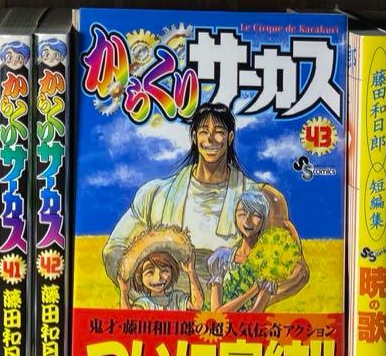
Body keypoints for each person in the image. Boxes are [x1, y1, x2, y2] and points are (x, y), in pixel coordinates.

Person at [103, 102, 304, 298]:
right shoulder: (155, 194)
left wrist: (246, 304)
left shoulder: (264, 198)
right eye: (203, 131)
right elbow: (114, 250)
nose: (210, 139)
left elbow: (297, 271)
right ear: (194, 136)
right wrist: (152, 299)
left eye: (219, 132)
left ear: (230, 137)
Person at [207, 190, 277, 312]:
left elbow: (254, 315)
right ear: (235, 217)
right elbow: (216, 314)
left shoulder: (267, 265)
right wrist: (253, 291)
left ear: (263, 219)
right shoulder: (221, 258)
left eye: (256, 214)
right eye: (242, 214)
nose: (247, 220)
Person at [117, 226, 203, 311]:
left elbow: (197, 305)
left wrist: (191, 273)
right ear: (139, 277)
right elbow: (128, 316)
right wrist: (124, 293)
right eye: (150, 272)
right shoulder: (144, 304)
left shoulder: (177, 298)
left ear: (172, 271)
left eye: (164, 271)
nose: (158, 278)